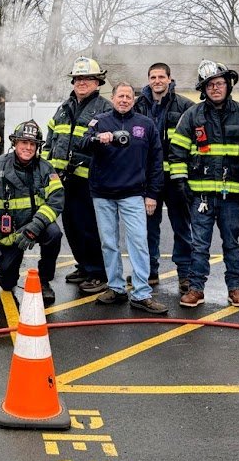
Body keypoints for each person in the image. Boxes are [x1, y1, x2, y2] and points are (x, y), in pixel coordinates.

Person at [170, 61, 239, 308]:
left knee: (232, 244)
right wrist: (180, 182)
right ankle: (196, 289)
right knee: (199, 245)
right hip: (201, 195)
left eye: (219, 83)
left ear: (228, 85)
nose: (215, 88)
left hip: (233, 196)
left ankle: (235, 289)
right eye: (210, 85)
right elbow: (177, 152)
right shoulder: (192, 116)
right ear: (203, 89)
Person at [81, 81, 167, 313]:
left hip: (133, 194)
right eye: (120, 96)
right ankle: (116, 288)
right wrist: (100, 139)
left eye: (129, 96)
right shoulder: (99, 121)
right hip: (103, 193)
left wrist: (153, 194)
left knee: (139, 242)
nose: (124, 100)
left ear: (133, 99)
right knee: (109, 243)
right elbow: (83, 143)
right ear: (113, 97)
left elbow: (156, 162)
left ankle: (141, 294)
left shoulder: (146, 125)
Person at [43, 57, 112, 294]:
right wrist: (47, 171)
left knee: (88, 227)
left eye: (88, 78)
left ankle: (98, 273)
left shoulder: (105, 109)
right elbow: (50, 140)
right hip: (62, 180)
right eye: (78, 78)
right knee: (71, 227)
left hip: (89, 181)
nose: (82, 83)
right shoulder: (64, 107)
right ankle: (83, 265)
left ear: (98, 82)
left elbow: (109, 149)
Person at [0, 120, 64, 304]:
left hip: (35, 225)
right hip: (9, 232)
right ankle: (7, 266)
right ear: (15, 143)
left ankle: (44, 280)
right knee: (7, 284)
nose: (28, 147)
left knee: (54, 234)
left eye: (32, 144)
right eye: (24, 142)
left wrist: (34, 227)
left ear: (37, 147)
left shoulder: (46, 168)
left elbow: (56, 200)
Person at [133, 62, 194, 291]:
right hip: (148, 180)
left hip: (176, 179)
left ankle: (185, 274)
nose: (157, 81)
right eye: (153, 77)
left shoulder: (186, 107)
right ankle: (150, 271)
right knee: (148, 228)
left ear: (169, 79)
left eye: (161, 77)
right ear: (148, 79)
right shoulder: (138, 107)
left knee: (181, 227)